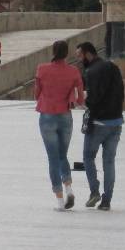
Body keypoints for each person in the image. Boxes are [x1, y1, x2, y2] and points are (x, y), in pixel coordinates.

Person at [34, 39, 84, 211]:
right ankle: (69, 188)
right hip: (65, 116)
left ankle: (60, 201)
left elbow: (36, 93)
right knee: (63, 155)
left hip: (47, 115)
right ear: (67, 52)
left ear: (53, 51)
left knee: (53, 158)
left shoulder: (42, 69)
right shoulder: (73, 71)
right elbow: (80, 98)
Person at [76, 42, 124, 211]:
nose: (79, 59)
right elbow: (120, 92)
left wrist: (83, 102)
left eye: (80, 55)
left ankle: (94, 191)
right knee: (109, 162)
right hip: (116, 122)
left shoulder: (91, 71)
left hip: (98, 123)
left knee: (88, 157)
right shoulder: (113, 67)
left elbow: (94, 98)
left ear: (88, 54)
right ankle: (107, 200)